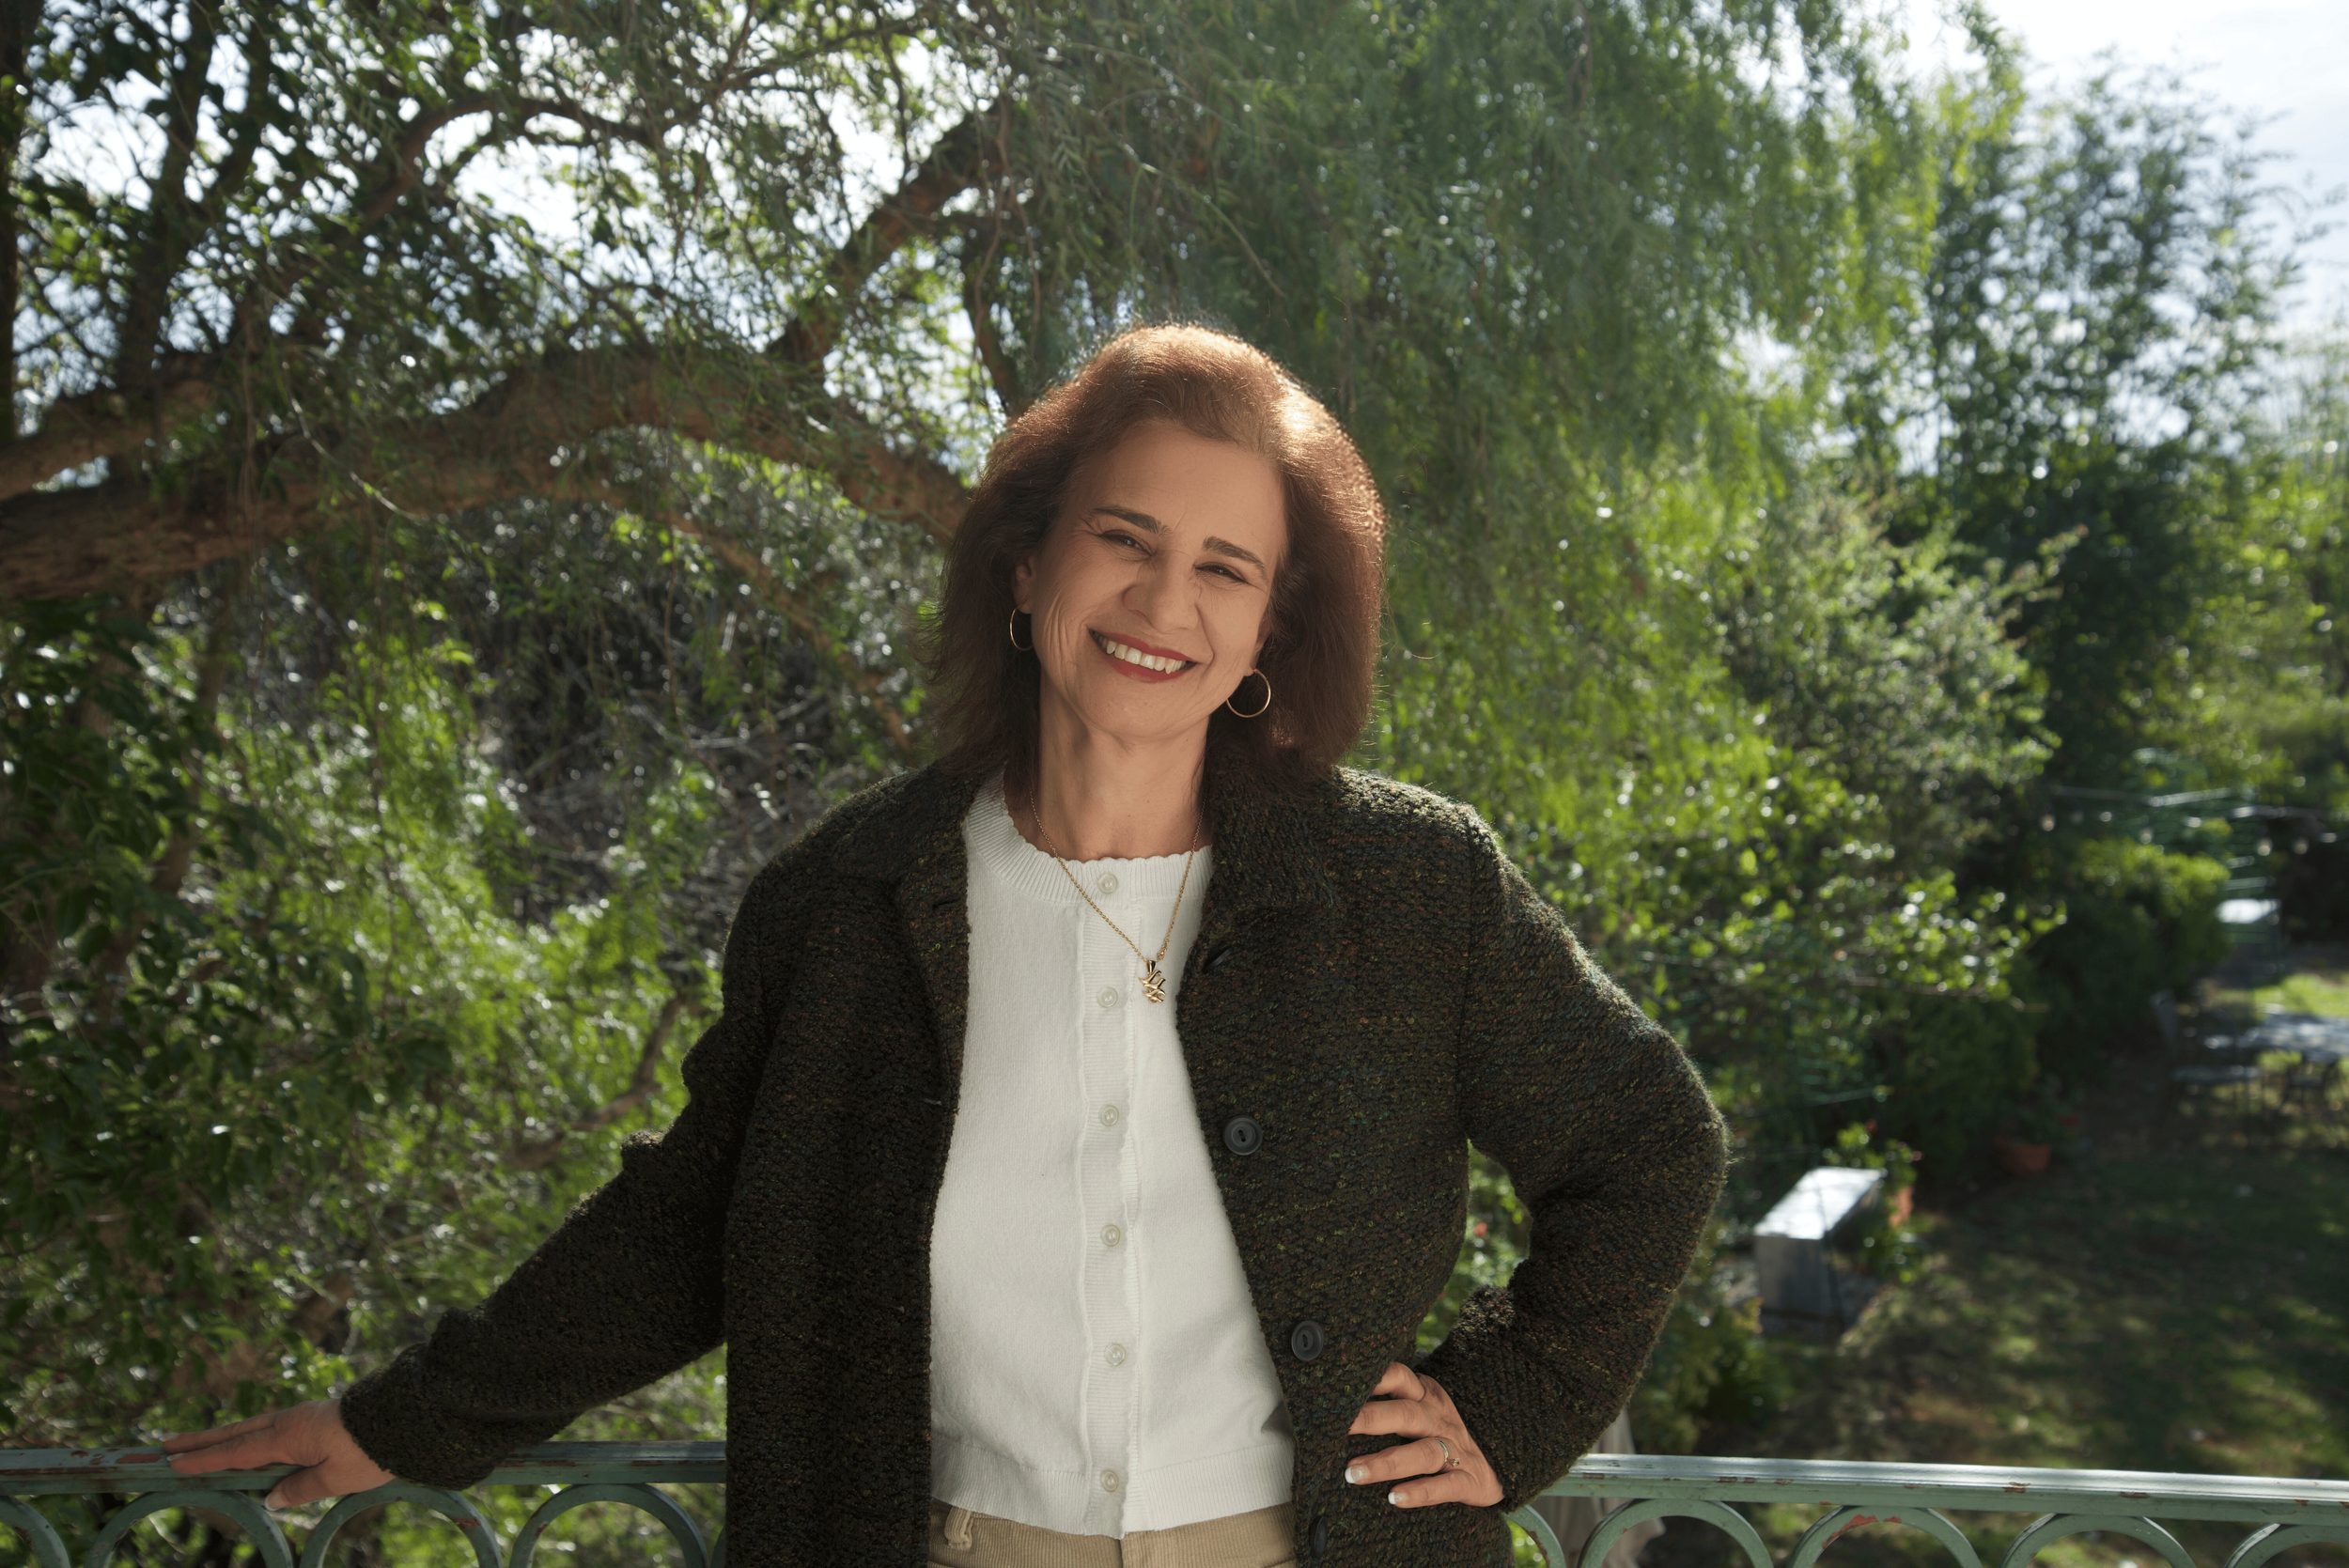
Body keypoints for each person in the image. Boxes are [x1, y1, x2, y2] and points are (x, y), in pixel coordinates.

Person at [165, 325, 1726, 1568]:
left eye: (1224, 570)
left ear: (1265, 633)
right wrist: (407, 1419)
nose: (1163, 600)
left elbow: (1649, 1142)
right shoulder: (842, 903)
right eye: (1126, 538)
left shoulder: (1410, 885)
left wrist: (1514, 1401)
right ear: (1030, 567)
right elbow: (688, 1226)